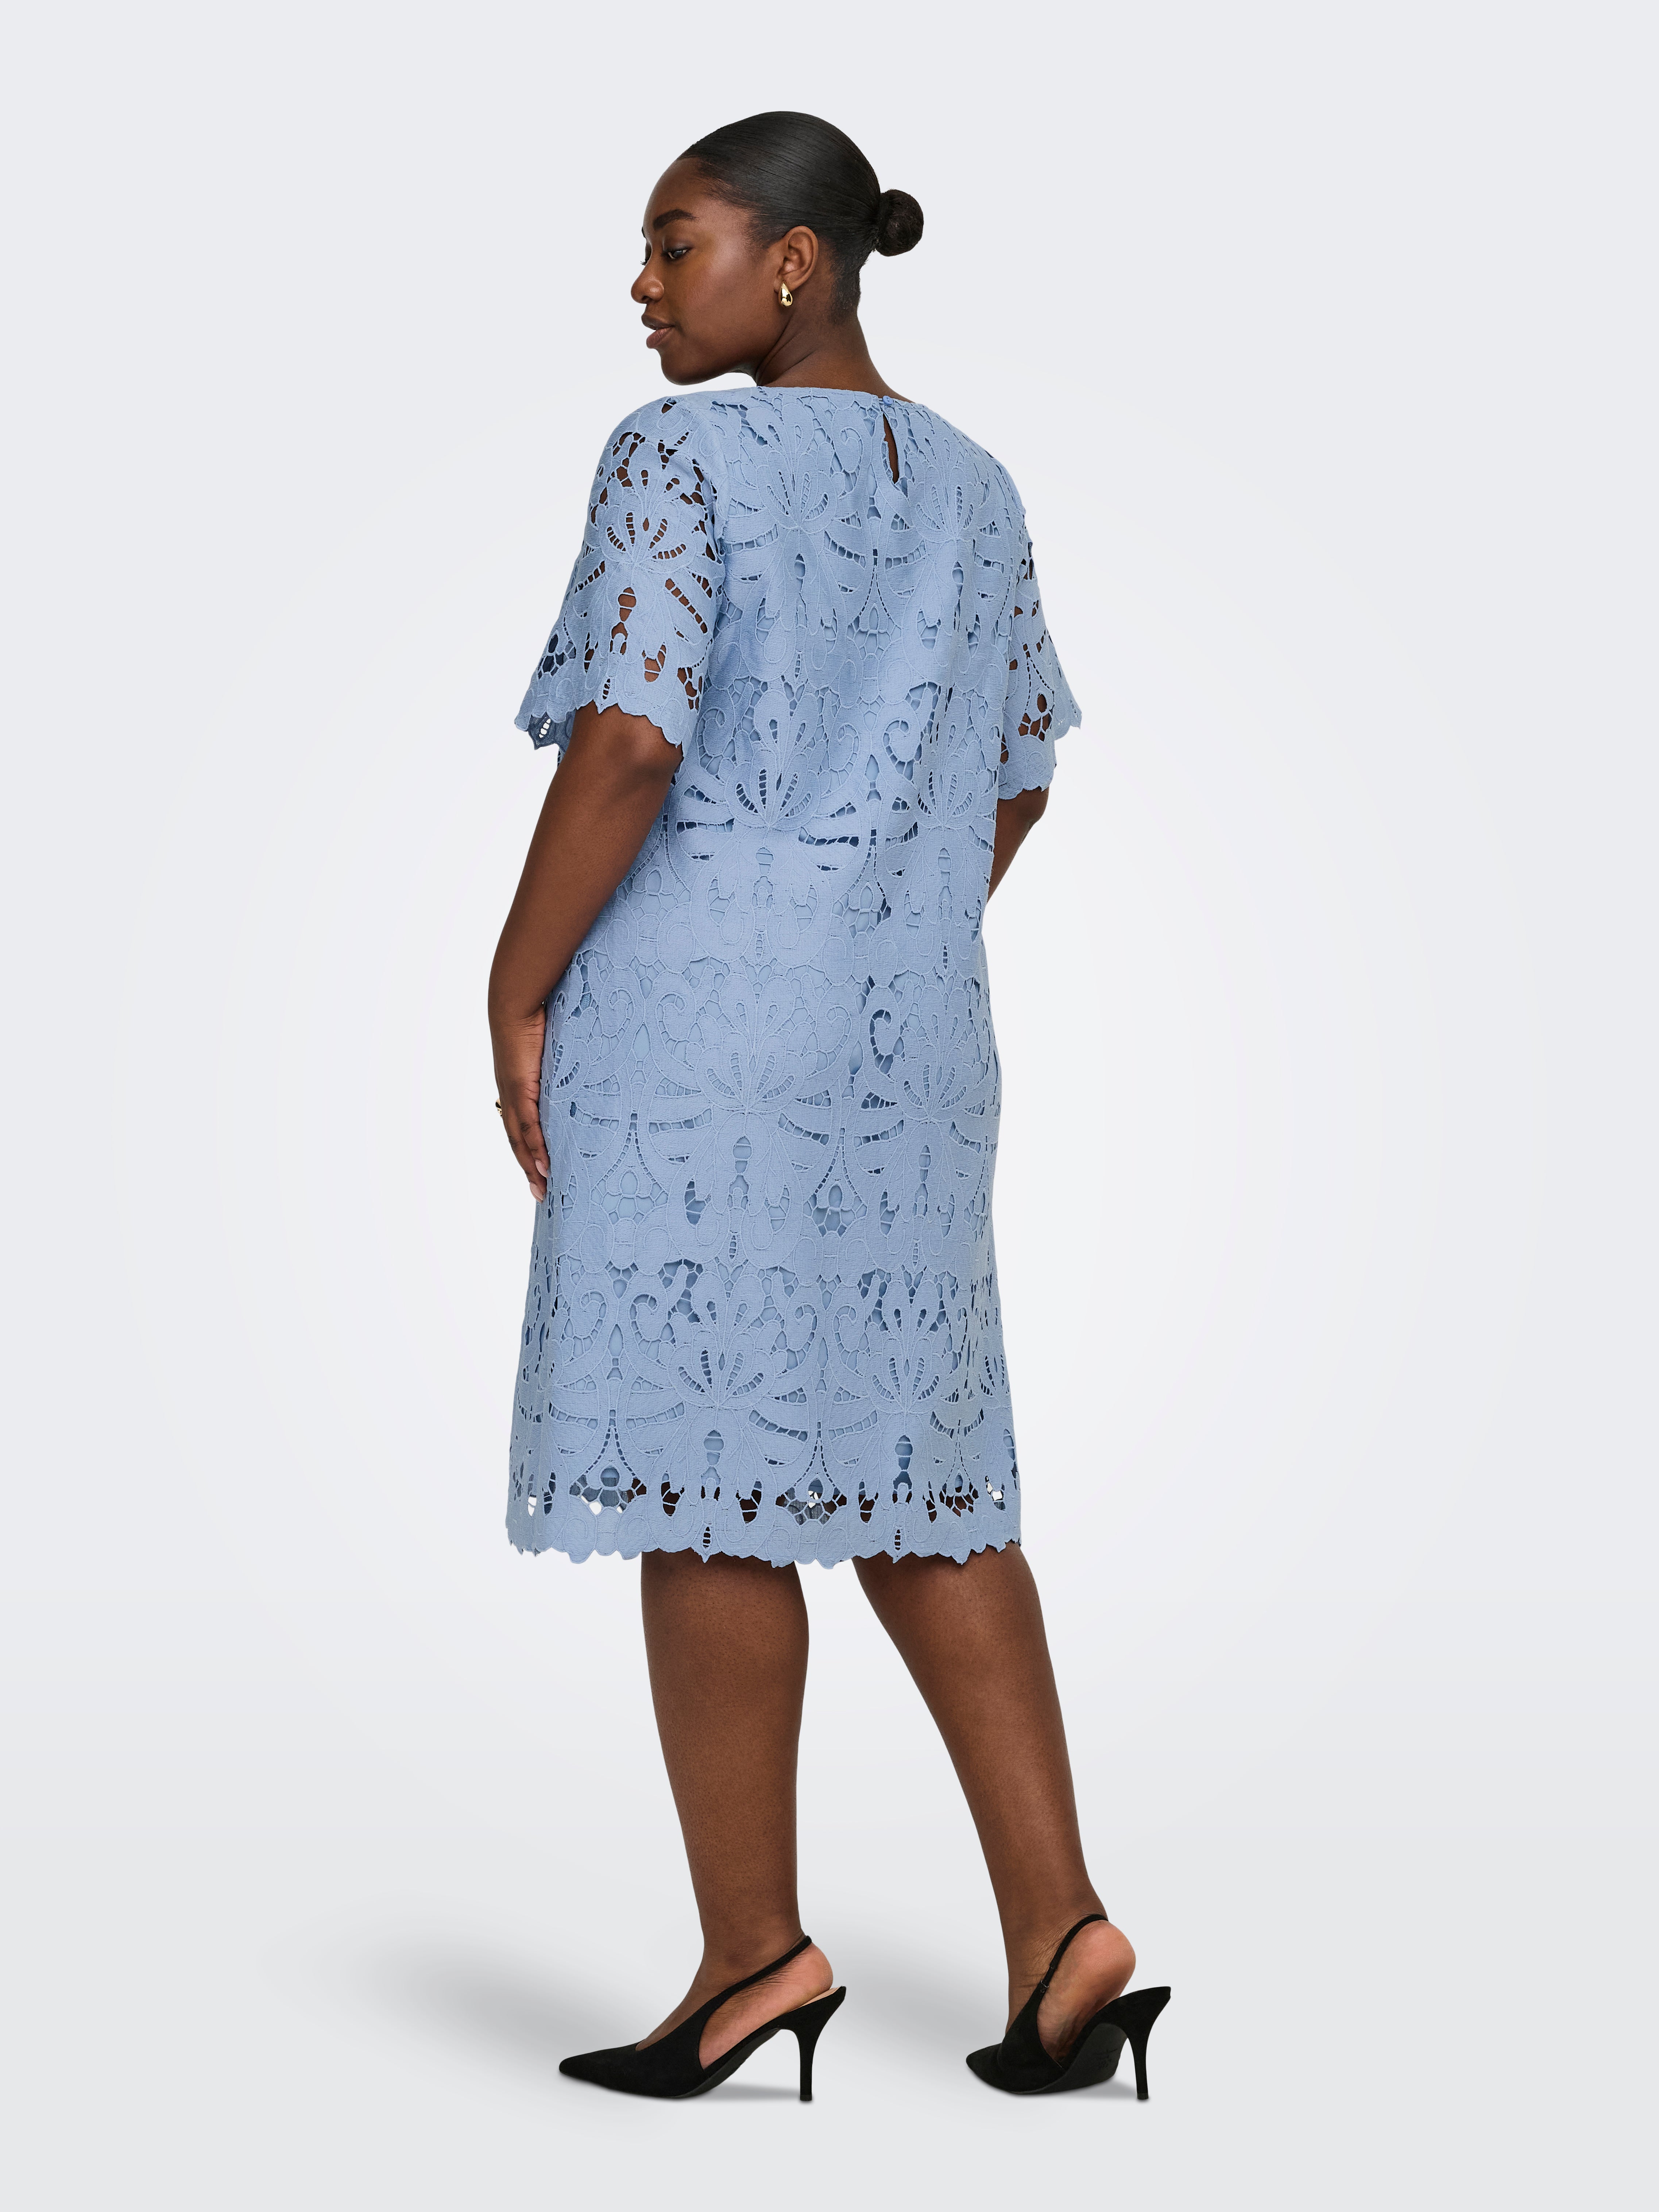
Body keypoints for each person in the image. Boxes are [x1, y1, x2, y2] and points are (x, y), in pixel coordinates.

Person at [488, 111, 1169, 2102]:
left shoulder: (679, 456)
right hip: (912, 1048)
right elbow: (1017, 773)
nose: (641, 285)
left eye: (673, 240)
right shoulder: (974, 485)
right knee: (920, 1472)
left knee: (710, 1480)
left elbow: (630, 739)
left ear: (794, 260)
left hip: (700, 1041)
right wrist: (873, 918)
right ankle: (1063, 1936)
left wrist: (514, 982)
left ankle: (753, 1960)